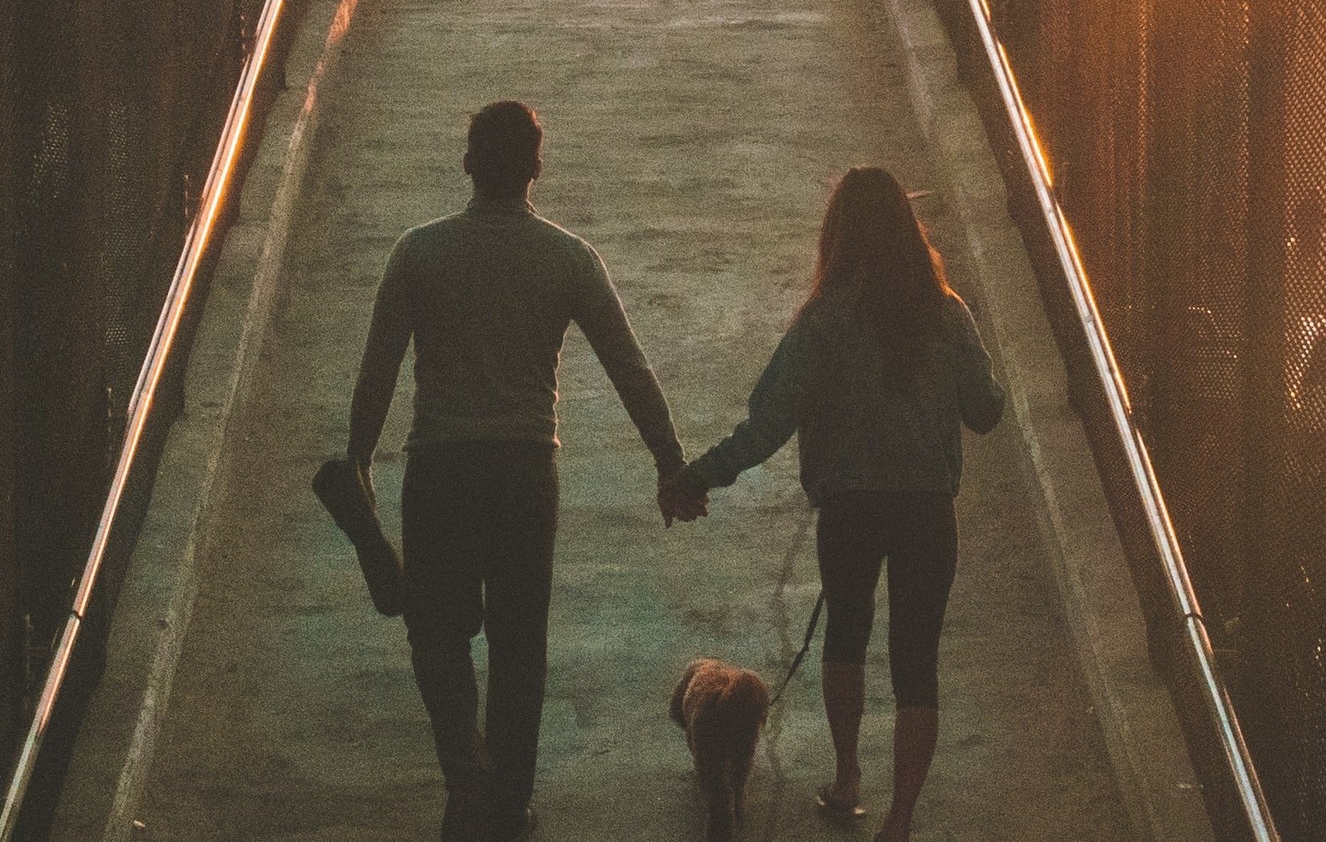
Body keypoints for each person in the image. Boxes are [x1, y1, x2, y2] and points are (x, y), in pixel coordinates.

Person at [344, 100, 704, 842]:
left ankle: (464, 773)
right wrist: (670, 461)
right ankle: (507, 804)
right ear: (536, 170)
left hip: (438, 467)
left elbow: (377, 371)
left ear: (468, 163)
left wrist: (357, 462)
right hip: (524, 470)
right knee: (518, 642)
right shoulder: (568, 257)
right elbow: (629, 367)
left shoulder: (418, 252)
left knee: (436, 632)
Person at [663, 166, 1005, 842]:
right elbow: (987, 411)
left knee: (845, 636)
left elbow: (765, 424)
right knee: (917, 663)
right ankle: (900, 821)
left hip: (850, 509)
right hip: (927, 512)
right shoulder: (947, 310)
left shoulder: (822, 322)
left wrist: (695, 476)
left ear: (837, 236)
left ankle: (848, 779)